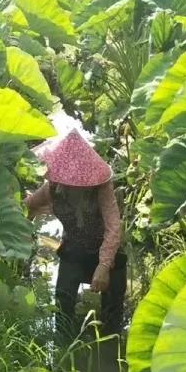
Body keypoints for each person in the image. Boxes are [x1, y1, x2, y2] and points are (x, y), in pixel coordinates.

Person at [25, 125, 126, 337]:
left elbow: (113, 226)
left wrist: (104, 265)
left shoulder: (101, 187)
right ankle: (63, 354)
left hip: (107, 253)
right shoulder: (54, 187)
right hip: (74, 250)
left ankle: (110, 353)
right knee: (62, 309)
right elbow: (30, 205)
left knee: (112, 319)